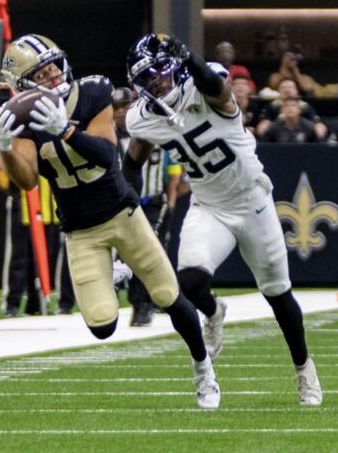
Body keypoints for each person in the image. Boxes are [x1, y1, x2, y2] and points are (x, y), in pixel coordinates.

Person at [0, 33, 220, 408]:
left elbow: (106, 155)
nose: (53, 76)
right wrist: (4, 150)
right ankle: (117, 271)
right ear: (22, 85)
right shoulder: (20, 118)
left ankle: (203, 369)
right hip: (80, 230)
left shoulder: (93, 91)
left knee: (167, 295)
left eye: (53, 67)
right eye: (41, 74)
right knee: (101, 326)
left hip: (122, 213)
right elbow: (28, 180)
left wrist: (66, 130)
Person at [122, 33, 322, 407]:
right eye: (146, 78)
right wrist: (128, 204)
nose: (155, 83)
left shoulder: (204, 86)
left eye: (159, 72)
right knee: (188, 282)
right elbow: (133, 160)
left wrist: (190, 57)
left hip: (252, 201)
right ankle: (214, 312)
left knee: (277, 294)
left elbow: (218, 90)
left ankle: (303, 368)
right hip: (209, 205)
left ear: (175, 67)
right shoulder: (143, 118)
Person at [112, 86, 173, 327]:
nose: (120, 112)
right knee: (127, 253)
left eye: (124, 106)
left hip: (152, 201)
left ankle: (145, 304)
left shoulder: (151, 128)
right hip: (123, 205)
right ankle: (128, 301)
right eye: (116, 108)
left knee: (148, 250)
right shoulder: (108, 136)